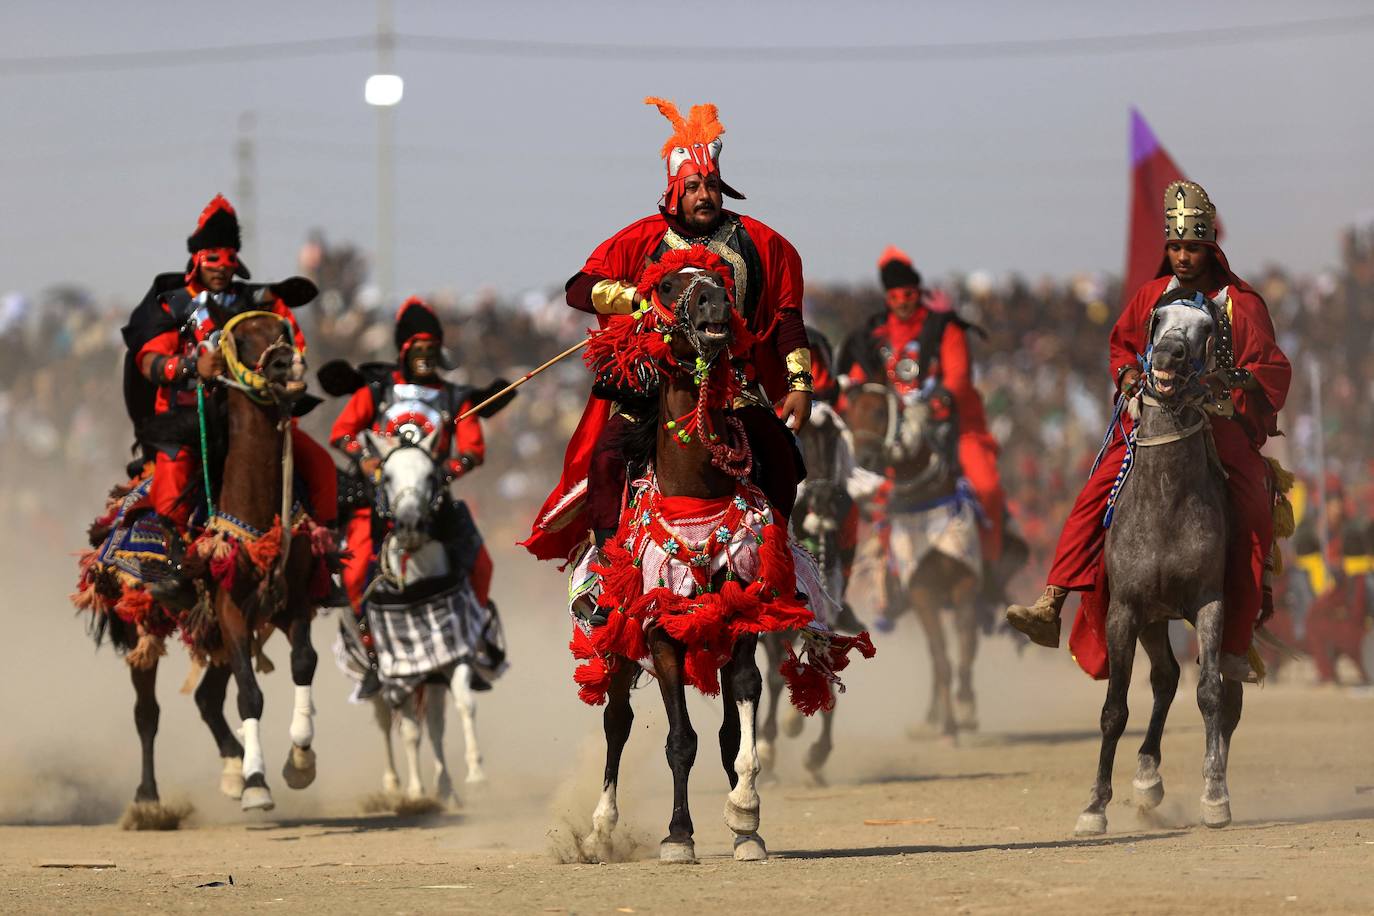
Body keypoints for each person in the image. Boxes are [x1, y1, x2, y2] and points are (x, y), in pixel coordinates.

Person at [1005, 181, 1291, 680]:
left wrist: (1223, 383)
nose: (1182, 256)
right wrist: (1129, 375)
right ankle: (1052, 601)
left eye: (1192, 247)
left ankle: (1234, 645)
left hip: (1218, 424)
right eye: (1176, 246)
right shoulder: (1150, 296)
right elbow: (1120, 346)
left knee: (1250, 507)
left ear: (1210, 247)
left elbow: (1269, 368)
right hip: (1154, 421)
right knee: (1097, 490)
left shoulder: (1237, 303)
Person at [523, 97, 812, 562]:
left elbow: (786, 315)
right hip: (655, 384)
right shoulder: (643, 237)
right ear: (676, 191)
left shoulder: (762, 242)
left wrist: (799, 383)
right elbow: (580, 288)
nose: (705, 196)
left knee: (781, 457)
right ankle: (609, 570)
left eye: (712, 185)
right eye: (694, 186)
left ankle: (778, 564)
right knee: (607, 460)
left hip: (731, 384)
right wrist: (636, 297)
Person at [120, 194, 338, 603]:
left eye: (227, 259)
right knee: (172, 484)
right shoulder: (174, 303)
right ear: (197, 259)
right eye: (212, 259)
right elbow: (149, 361)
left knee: (322, 467)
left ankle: (325, 563)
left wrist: (295, 367)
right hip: (190, 416)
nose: (220, 268)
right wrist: (190, 369)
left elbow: (292, 339)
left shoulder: (259, 301)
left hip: (255, 413)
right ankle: (173, 566)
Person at [329, 297, 497, 696]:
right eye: (417, 349)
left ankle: (474, 642)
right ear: (404, 351)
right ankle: (371, 655)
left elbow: (473, 450)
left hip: (433, 503)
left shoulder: (456, 398)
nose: (425, 357)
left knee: (482, 564)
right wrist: (366, 460)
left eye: (431, 350)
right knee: (353, 574)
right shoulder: (377, 392)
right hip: (377, 503)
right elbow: (342, 433)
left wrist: (445, 471)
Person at [838, 246, 1007, 564]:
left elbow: (957, 377)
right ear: (887, 298)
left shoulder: (944, 327)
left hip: (956, 427)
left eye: (909, 294)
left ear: (919, 292)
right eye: (895, 297)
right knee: (871, 494)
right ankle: (886, 580)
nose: (903, 303)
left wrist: (932, 403)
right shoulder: (874, 334)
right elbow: (860, 379)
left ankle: (991, 570)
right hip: (894, 433)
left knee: (987, 487)